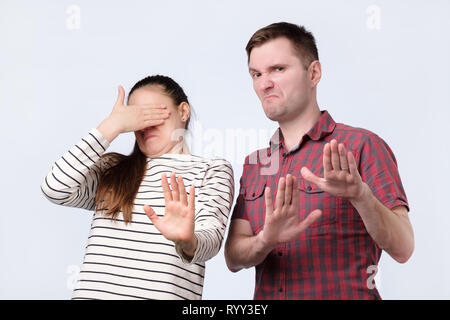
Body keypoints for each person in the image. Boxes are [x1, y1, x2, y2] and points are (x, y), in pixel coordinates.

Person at [224, 22, 414, 299]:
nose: (265, 84)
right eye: (256, 74)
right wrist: (265, 240)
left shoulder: (361, 146)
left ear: (314, 73)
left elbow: (404, 247)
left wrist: (361, 196)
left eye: (278, 69)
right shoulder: (255, 165)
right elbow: (233, 257)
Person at [41, 75, 234, 300]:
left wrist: (187, 240)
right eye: (136, 117)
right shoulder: (112, 169)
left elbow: (211, 239)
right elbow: (55, 188)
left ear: (183, 112)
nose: (145, 124)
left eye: (153, 113)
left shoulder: (211, 169)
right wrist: (111, 126)